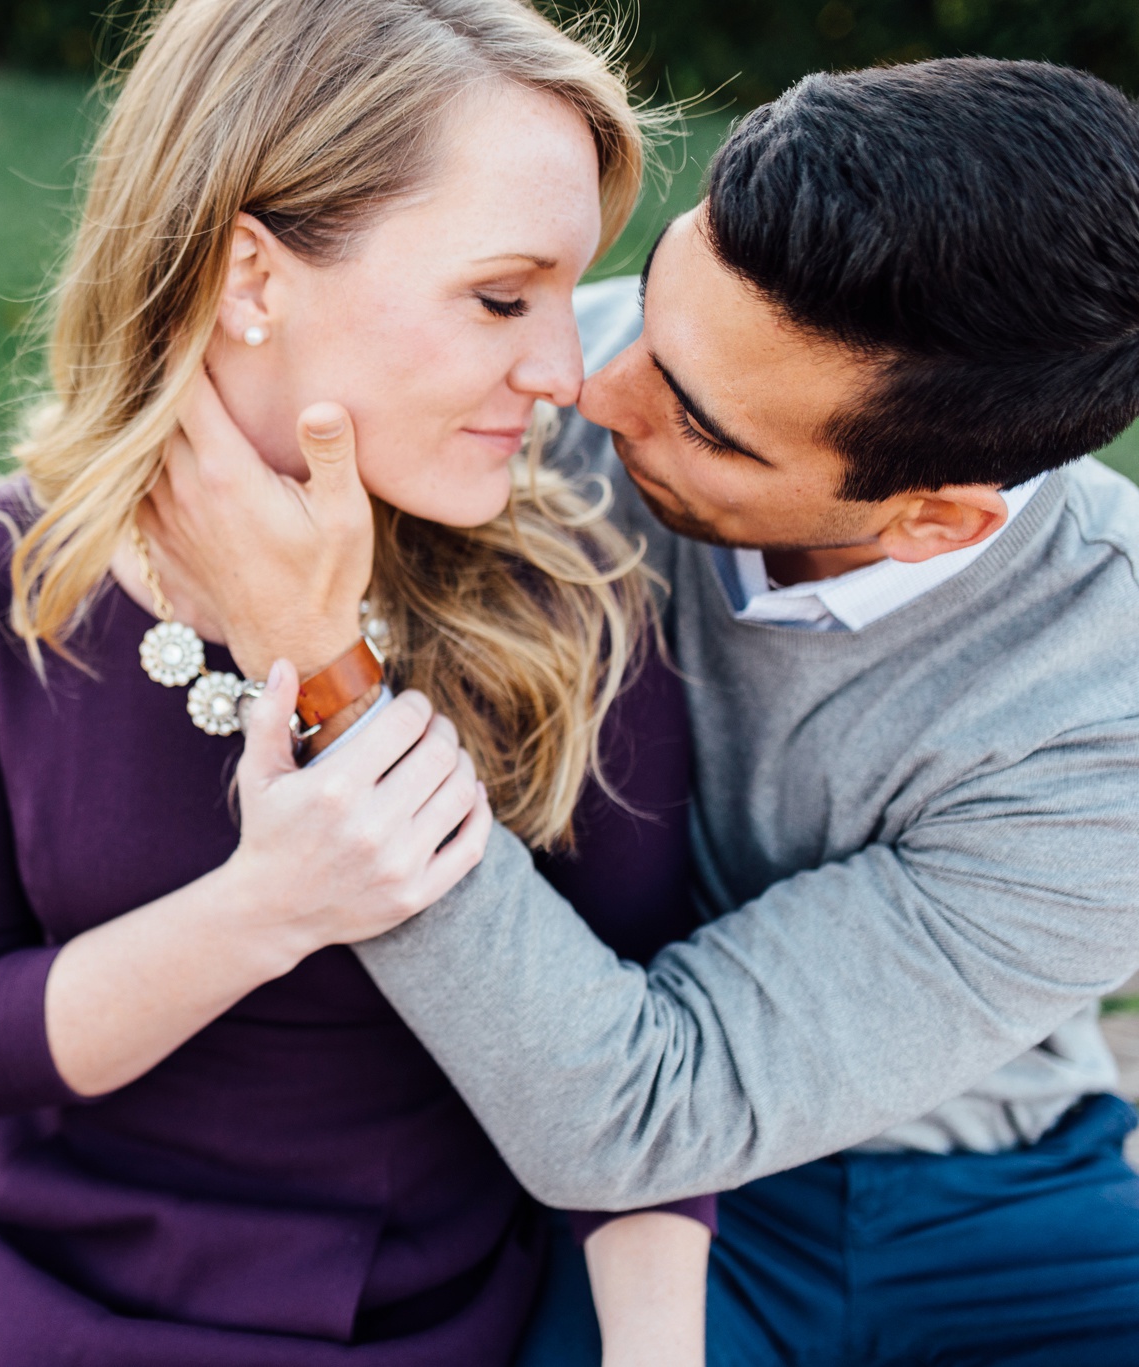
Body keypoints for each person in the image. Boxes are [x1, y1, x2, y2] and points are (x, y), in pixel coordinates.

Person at [0, 1, 720, 1361]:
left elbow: (640, 1072)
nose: (563, 371)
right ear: (253, 279)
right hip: (1, 1302)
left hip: (382, 1326)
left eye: (571, 296)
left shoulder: (568, 592)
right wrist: (267, 908)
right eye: (503, 297)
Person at [140, 57, 1139, 1365]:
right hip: (637, 1215)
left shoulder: (1106, 717)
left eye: (706, 425)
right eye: (658, 309)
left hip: (1002, 1202)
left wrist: (325, 667)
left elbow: (646, 1109)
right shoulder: (558, 389)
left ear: (931, 518)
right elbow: (198, 568)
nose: (594, 392)